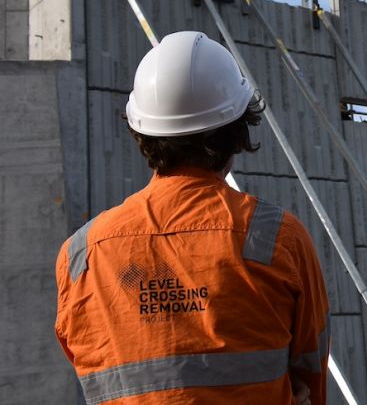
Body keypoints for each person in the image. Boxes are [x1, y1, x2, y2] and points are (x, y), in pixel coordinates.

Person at [55, 31, 329, 404]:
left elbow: (88, 360)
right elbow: (310, 370)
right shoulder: (277, 238)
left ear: (141, 133)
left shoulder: (81, 254)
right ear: (236, 134)